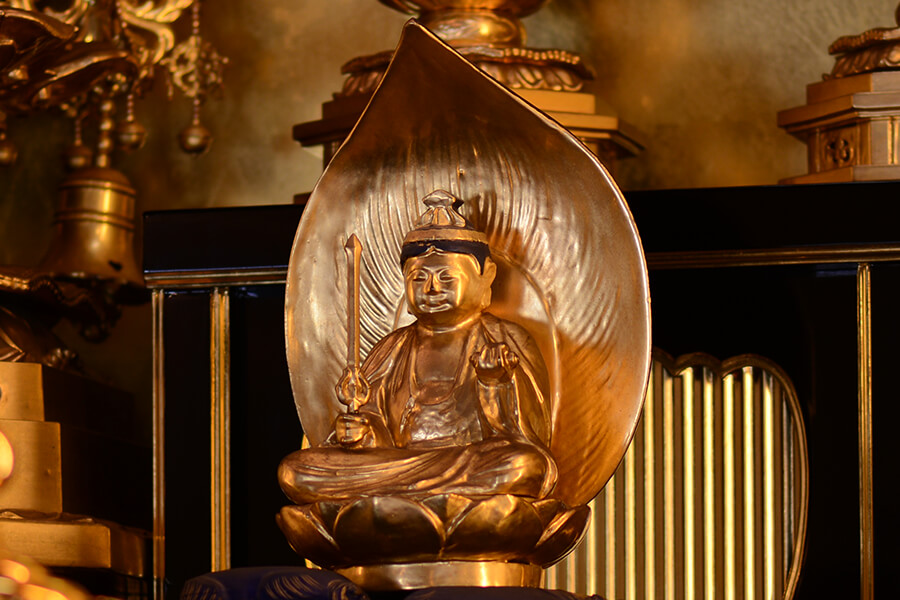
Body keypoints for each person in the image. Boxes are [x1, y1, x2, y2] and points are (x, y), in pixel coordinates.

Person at [278, 190, 557, 506]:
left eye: (446, 278)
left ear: (485, 278)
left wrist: (497, 384)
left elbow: (526, 437)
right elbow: (371, 423)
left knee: (524, 466)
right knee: (295, 471)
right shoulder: (392, 348)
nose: (432, 289)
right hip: (401, 466)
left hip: (472, 461)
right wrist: (361, 432)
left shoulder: (505, 338)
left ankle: (395, 499)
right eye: (418, 278)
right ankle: (425, 496)